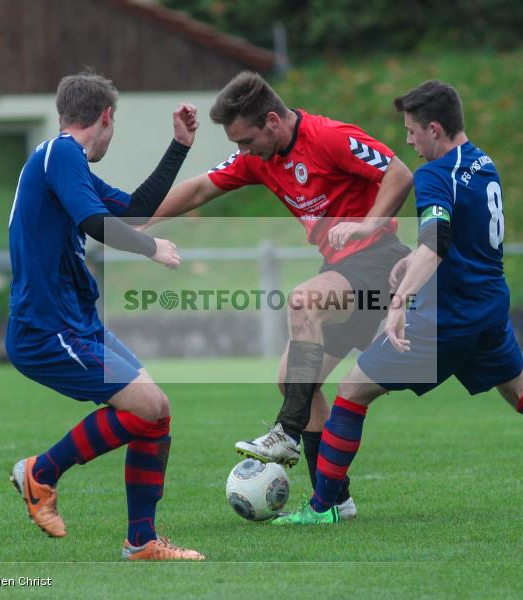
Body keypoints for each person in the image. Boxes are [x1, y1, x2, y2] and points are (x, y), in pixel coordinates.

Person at [274, 80, 523, 525]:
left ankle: (323, 508)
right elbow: (453, 240)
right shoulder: (483, 161)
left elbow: (436, 240)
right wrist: (411, 266)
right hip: (491, 307)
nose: (408, 140)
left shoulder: (434, 175)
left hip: (447, 317)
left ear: (434, 129)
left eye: (411, 131)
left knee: (350, 393)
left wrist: (400, 302)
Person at [149, 71, 415, 518]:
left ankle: (285, 433)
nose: (242, 151)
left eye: (245, 140)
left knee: (303, 301)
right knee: (292, 380)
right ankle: (334, 502)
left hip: (379, 261)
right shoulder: (258, 159)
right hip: (341, 269)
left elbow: (400, 174)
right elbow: (198, 189)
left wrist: (369, 224)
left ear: (272, 121)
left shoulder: (329, 137)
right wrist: (134, 219)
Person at [5, 70, 205, 560]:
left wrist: (178, 147)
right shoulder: (61, 154)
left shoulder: (67, 165)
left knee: (156, 412)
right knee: (145, 407)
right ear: (106, 117)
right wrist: (149, 249)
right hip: (47, 328)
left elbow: (133, 212)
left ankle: (141, 542)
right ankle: (42, 472)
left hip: (76, 324)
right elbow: (98, 225)